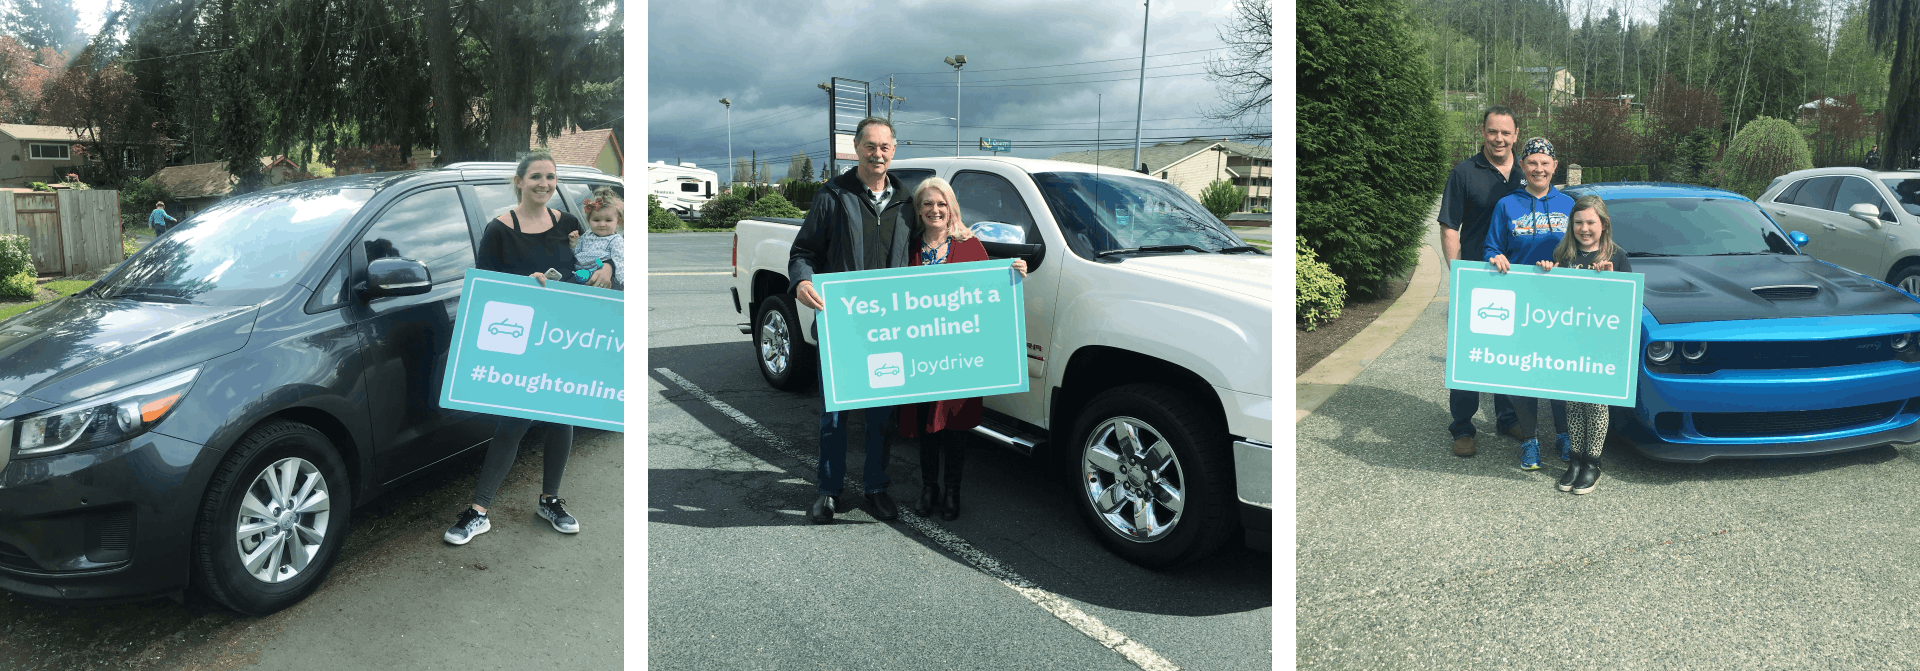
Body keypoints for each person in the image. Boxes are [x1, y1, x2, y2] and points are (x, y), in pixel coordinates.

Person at [444, 151, 588, 545]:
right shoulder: (499, 229)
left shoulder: (570, 225)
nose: (545, 183)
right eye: (537, 176)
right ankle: (479, 511)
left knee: (562, 416)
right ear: (520, 181)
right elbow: (486, 291)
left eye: (551, 177)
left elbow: (589, 268)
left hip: (562, 335)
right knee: (514, 421)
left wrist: (603, 270)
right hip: (520, 338)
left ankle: (550, 500)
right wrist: (527, 282)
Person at [789, 116, 919, 525]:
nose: (877, 153)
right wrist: (800, 283)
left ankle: (876, 488)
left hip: (889, 328)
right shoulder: (832, 195)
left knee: (882, 415)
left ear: (894, 151)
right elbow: (803, 252)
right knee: (835, 415)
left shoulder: (908, 203)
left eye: (884, 147)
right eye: (869, 146)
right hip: (842, 327)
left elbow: (939, 246)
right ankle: (828, 491)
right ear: (856, 148)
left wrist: (1003, 266)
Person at [897, 177, 1026, 521]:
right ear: (918, 209)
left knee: (955, 426)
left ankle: (953, 490)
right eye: (927, 204)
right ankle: (929, 488)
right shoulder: (907, 248)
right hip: (920, 354)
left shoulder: (970, 247)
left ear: (951, 207)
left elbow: (989, 293)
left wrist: (1013, 273)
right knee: (926, 425)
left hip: (959, 356)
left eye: (941, 204)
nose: (934, 210)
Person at [1438, 107, 1528, 457]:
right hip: (1477, 278)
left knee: (1508, 353)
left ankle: (1507, 418)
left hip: (1519, 279)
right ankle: (1462, 426)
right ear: (1483, 132)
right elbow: (1449, 226)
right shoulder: (1464, 173)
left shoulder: (1527, 171)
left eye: (1506, 132)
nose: (1499, 139)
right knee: (1469, 353)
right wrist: (1457, 273)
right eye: (1493, 132)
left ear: (1516, 134)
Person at [1486, 137, 1576, 471]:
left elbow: (1587, 245)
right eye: (1532, 162)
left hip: (1562, 301)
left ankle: (1565, 434)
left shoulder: (1570, 205)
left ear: (1555, 166)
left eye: (1545, 163)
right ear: (1522, 166)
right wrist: (1494, 257)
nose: (1539, 168)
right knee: (1525, 373)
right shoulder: (1507, 205)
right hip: (1520, 300)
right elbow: (1490, 247)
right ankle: (1529, 440)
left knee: (1558, 372)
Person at [1535, 194, 1629, 495]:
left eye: (1591, 222)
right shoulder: (1563, 254)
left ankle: (1592, 462)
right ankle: (1574, 460)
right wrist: (1547, 275)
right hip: (1571, 343)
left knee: (1597, 404)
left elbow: (1628, 306)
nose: (1584, 228)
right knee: (1574, 404)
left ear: (1603, 224)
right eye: (1578, 222)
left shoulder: (1617, 256)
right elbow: (1554, 302)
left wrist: (1613, 281)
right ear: (1571, 224)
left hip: (1601, 344)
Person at [575, 187, 624, 290]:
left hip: (605, 283)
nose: (602, 224)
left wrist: (621, 283)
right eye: (596, 220)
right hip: (582, 280)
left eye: (608, 220)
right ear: (589, 220)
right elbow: (576, 253)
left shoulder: (615, 240)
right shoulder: (587, 235)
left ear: (617, 221)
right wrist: (573, 243)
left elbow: (619, 263)